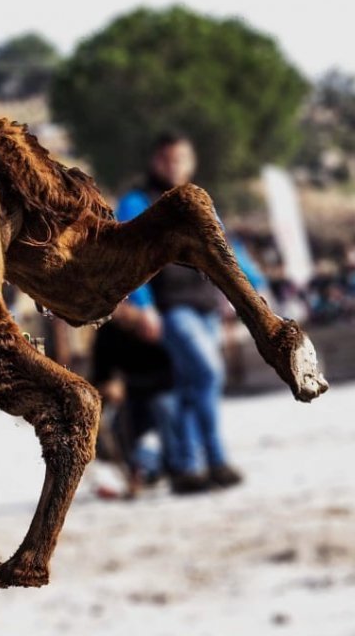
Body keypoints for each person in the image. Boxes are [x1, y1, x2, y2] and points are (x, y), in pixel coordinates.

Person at [117, 133, 265, 495]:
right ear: (156, 162)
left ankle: (187, 468)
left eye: (181, 159)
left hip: (205, 306)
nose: (174, 166)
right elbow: (130, 258)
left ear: (191, 161)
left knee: (191, 385)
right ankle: (213, 459)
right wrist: (144, 307)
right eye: (167, 160)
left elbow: (225, 249)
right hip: (170, 308)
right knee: (207, 372)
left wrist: (251, 287)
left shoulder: (199, 202)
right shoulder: (137, 202)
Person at [90, 302, 177, 492]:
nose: (121, 310)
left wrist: (127, 386)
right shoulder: (108, 333)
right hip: (132, 399)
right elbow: (99, 375)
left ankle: (175, 464)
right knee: (114, 427)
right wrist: (107, 387)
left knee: (164, 408)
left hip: (162, 394)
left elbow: (170, 377)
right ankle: (136, 471)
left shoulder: (155, 328)